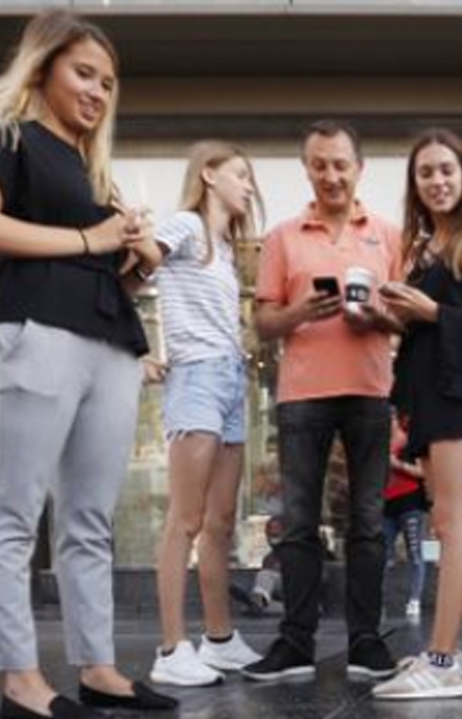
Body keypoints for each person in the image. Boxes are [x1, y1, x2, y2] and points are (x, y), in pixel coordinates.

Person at [0, 9, 176, 719]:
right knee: (12, 512)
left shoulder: (89, 168)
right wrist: (91, 237)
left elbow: (101, 266)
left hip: (108, 341)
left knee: (89, 518)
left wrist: (135, 260)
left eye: (108, 83)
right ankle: (20, 680)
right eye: (84, 73)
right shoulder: (0, 128)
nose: (97, 92)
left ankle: (98, 670)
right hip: (34, 332)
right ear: (43, 65)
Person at [245, 120, 399, 684]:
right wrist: (298, 314)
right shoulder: (283, 237)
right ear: (306, 168)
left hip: (370, 390)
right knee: (299, 523)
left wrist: (377, 316)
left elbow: (407, 315)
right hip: (303, 394)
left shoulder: (388, 234)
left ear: (359, 168)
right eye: (320, 164)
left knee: (368, 522)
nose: (331, 175)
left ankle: (365, 640)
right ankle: (296, 641)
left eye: (340, 164)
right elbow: (263, 322)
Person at [371, 129, 462, 700]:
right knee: (454, 523)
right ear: (415, 184)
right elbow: (420, 328)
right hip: (427, 393)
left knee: (452, 522)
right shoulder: (422, 250)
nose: (437, 181)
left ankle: (440, 660)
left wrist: (433, 311)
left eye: (446, 170)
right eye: (426, 172)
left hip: (459, 391)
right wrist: (389, 319)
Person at [146, 141, 266, 687]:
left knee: (220, 520)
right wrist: (137, 350)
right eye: (241, 174)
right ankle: (171, 650)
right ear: (210, 174)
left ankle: (218, 640)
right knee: (186, 519)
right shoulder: (187, 226)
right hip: (195, 376)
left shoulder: (220, 246)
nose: (249, 186)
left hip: (230, 379)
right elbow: (132, 268)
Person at [383, 411, 428, 619]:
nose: (387, 422)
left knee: (415, 554)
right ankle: (378, 601)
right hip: (387, 505)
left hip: (410, 503)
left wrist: (398, 465)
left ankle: (414, 600)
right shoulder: (381, 444)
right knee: (382, 555)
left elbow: (423, 471)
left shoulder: (410, 441)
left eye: (390, 417)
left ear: (396, 420)